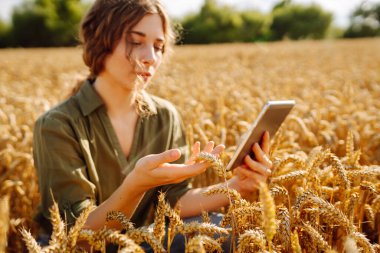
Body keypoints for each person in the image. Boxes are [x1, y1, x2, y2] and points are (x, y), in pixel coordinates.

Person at [33, 0, 272, 251]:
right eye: (136, 42)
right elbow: (79, 234)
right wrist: (136, 185)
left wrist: (236, 186)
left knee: (223, 231)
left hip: (138, 245)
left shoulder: (165, 116)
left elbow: (173, 203)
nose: (150, 58)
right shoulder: (57, 125)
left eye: (159, 46)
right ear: (101, 41)